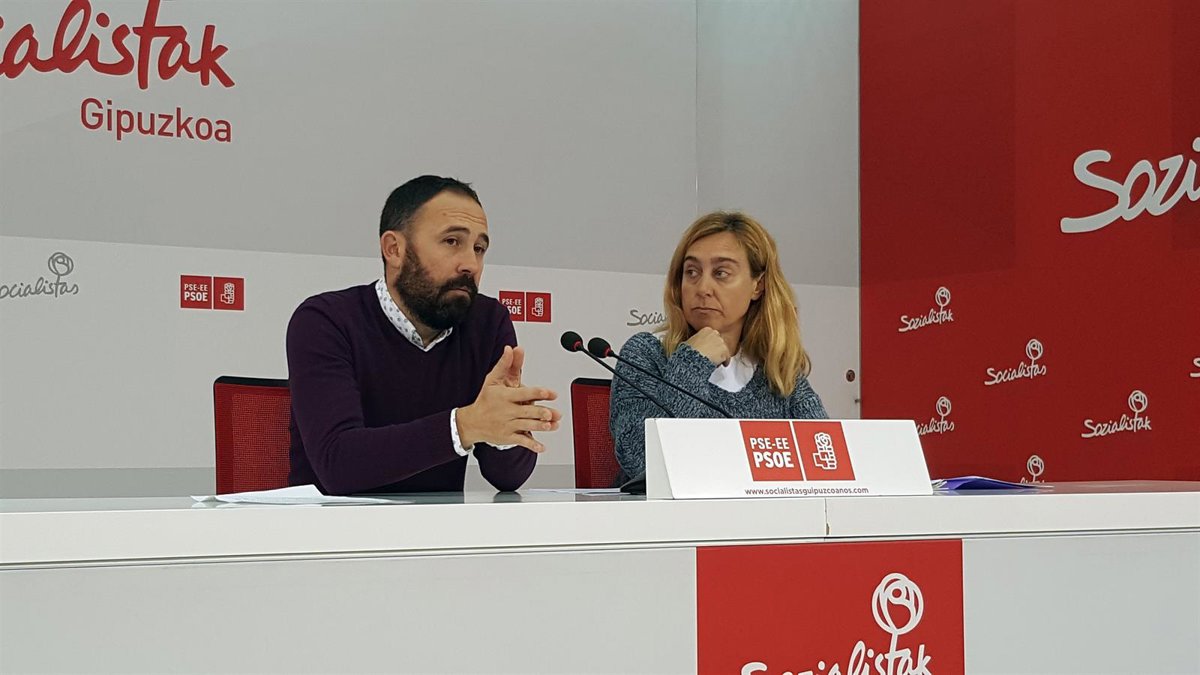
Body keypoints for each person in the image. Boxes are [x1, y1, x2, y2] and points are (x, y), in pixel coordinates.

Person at [286, 175, 561, 495]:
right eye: (452, 242)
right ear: (394, 249)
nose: (471, 264)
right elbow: (338, 463)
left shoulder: (487, 322)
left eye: (479, 248)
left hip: (438, 525)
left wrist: (506, 424)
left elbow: (508, 479)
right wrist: (465, 426)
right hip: (331, 522)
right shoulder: (326, 320)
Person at [610, 211, 828, 478]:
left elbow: (824, 462)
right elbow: (640, 461)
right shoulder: (647, 354)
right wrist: (692, 362)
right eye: (691, 272)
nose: (703, 288)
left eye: (721, 273)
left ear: (757, 286)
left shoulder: (777, 368)